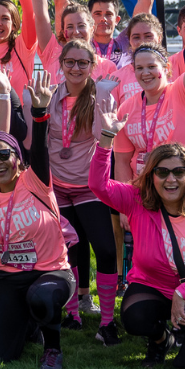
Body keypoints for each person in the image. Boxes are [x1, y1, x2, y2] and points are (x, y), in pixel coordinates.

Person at [90, 103, 185, 367]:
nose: (171, 179)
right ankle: (160, 341)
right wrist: (107, 139)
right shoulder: (136, 198)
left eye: (179, 172)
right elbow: (98, 185)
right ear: (151, 175)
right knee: (135, 316)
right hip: (154, 283)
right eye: (162, 172)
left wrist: (184, 292)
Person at [0, 72, 73, 369]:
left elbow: (41, 151)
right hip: (9, 276)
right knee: (1, 355)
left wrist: (39, 113)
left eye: (4, 155)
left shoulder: (35, 181)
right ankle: (31, 325)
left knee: (42, 296)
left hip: (51, 273)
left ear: (18, 158)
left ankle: (53, 348)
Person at [30, 40, 118, 341]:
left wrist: (103, 97)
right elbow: (38, 139)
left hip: (88, 187)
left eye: (83, 63)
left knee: (105, 249)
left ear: (92, 66)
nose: (76, 68)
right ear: (61, 65)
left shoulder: (99, 94)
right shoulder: (52, 95)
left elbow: (100, 134)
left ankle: (107, 322)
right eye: (70, 62)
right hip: (58, 189)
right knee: (71, 251)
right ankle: (73, 314)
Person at [111, 0, 185, 183]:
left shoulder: (182, 92)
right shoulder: (126, 109)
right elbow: (122, 163)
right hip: (146, 195)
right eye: (139, 68)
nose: (145, 73)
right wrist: (125, 209)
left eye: (151, 67)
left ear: (166, 67)